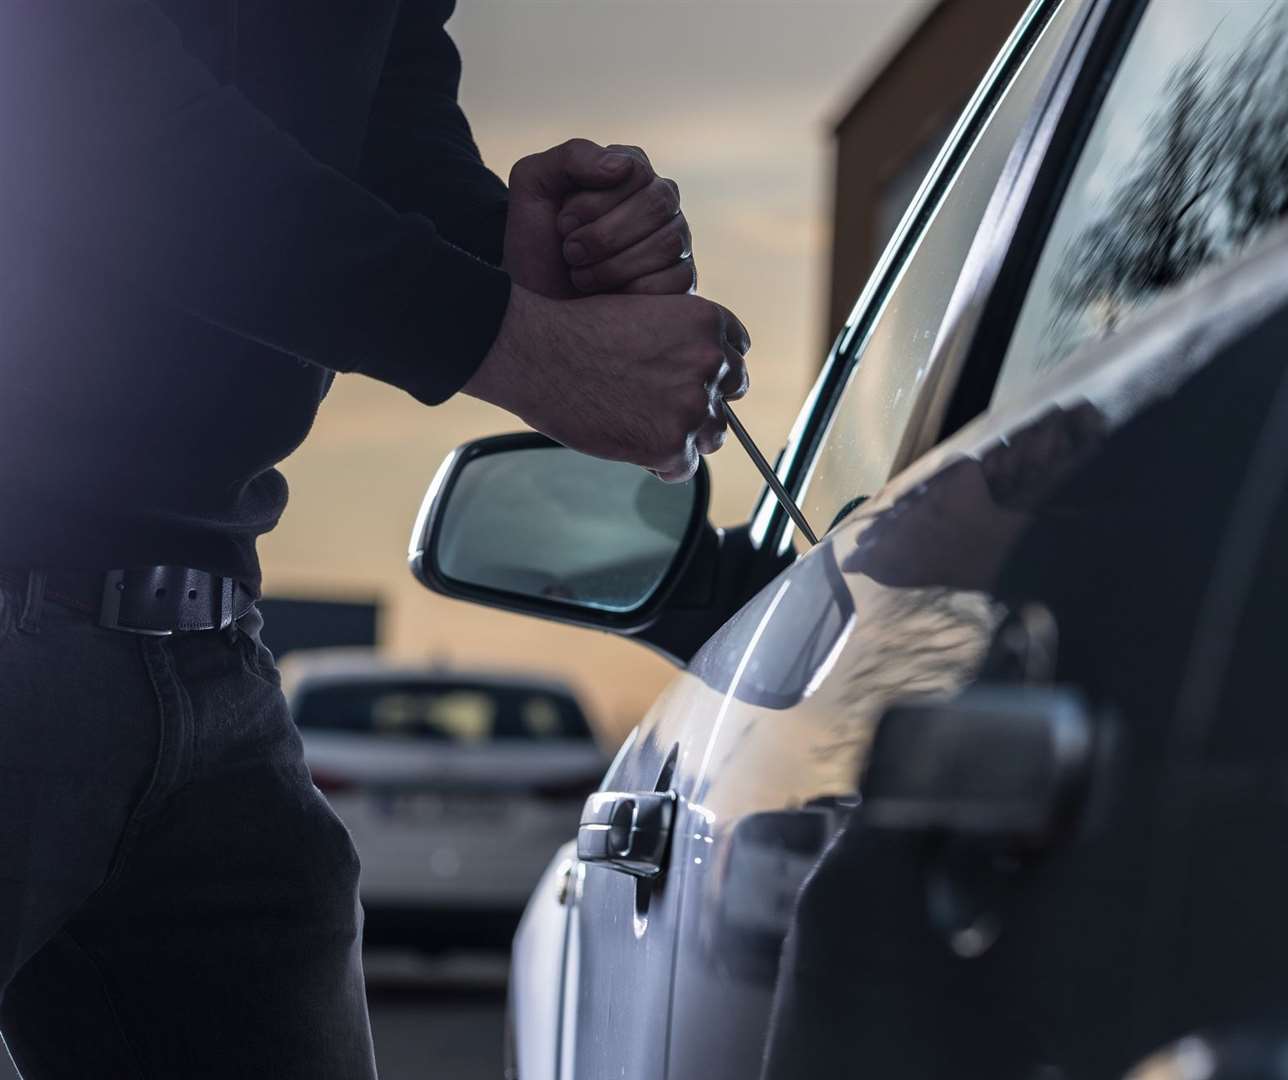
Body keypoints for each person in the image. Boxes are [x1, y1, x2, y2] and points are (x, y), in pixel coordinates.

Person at [0, 2, 747, 1075]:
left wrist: (515, 255)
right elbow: (78, 106)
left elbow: (375, 117)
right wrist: (525, 350)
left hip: (208, 643)